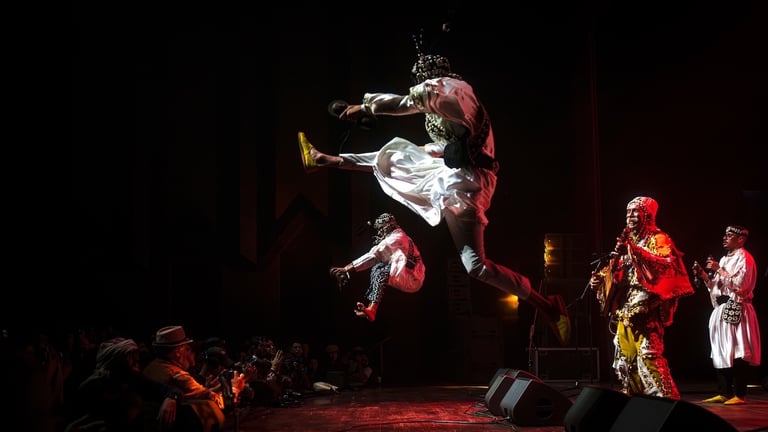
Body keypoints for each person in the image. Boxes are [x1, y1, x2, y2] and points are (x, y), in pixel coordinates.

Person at [297, 43, 570, 345]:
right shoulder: (448, 106)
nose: (418, 87)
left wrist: (364, 107)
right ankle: (324, 160)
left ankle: (548, 306)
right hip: (452, 177)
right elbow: (438, 145)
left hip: (470, 184)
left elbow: (405, 104)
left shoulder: (452, 89)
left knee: (476, 265)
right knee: (395, 158)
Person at [589, 196, 694, 398]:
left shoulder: (659, 238)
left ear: (648, 215)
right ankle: (635, 400)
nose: (630, 216)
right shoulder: (628, 240)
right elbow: (616, 269)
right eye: (628, 212)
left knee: (648, 356)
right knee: (625, 358)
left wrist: (635, 251)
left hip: (647, 309)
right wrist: (599, 279)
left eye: (635, 211)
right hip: (625, 308)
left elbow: (666, 265)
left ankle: (666, 402)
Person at [692, 225, 761, 405]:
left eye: (729, 235)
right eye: (725, 235)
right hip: (721, 309)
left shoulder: (745, 258)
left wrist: (719, 270)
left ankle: (739, 394)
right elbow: (716, 287)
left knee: (737, 349)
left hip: (737, 307)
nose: (725, 238)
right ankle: (724, 392)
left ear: (741, 239)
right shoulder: (723, 259)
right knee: (721, 349)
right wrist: (704, 276)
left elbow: (741, 285)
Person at [142, 326, 244, 432]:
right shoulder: (178, 376)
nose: (188, 351)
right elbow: (215, 400)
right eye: (185, 347)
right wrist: (235, 388)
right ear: (177, 352)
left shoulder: (151, 367)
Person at [329, 212, 425, 322]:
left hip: (410, 277)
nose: (379, 232)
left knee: (379, 269)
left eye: (381, 229)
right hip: (413, 276)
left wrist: (346, 268)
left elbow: (373, 256)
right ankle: (372, 308)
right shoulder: (402, 236)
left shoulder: (395, 238)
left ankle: (372, 309)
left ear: (388, 226)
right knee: (379, 268)